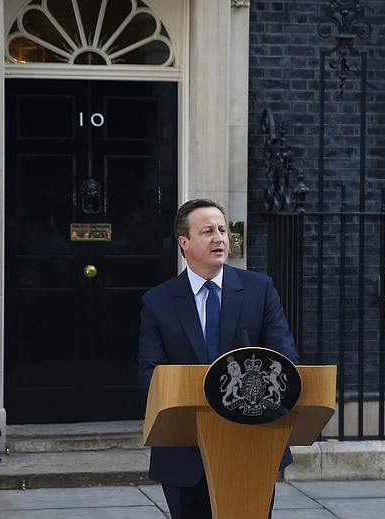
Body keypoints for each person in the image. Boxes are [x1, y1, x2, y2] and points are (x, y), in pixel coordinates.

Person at [138, 198, 300, 519]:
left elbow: (285, 360)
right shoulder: (158, 301)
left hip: (253, 443)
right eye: (208, 231)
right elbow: (150, 374)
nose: (220, 238)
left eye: (223, 230)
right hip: (184, 450)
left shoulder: (260, 290)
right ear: (184, 243)